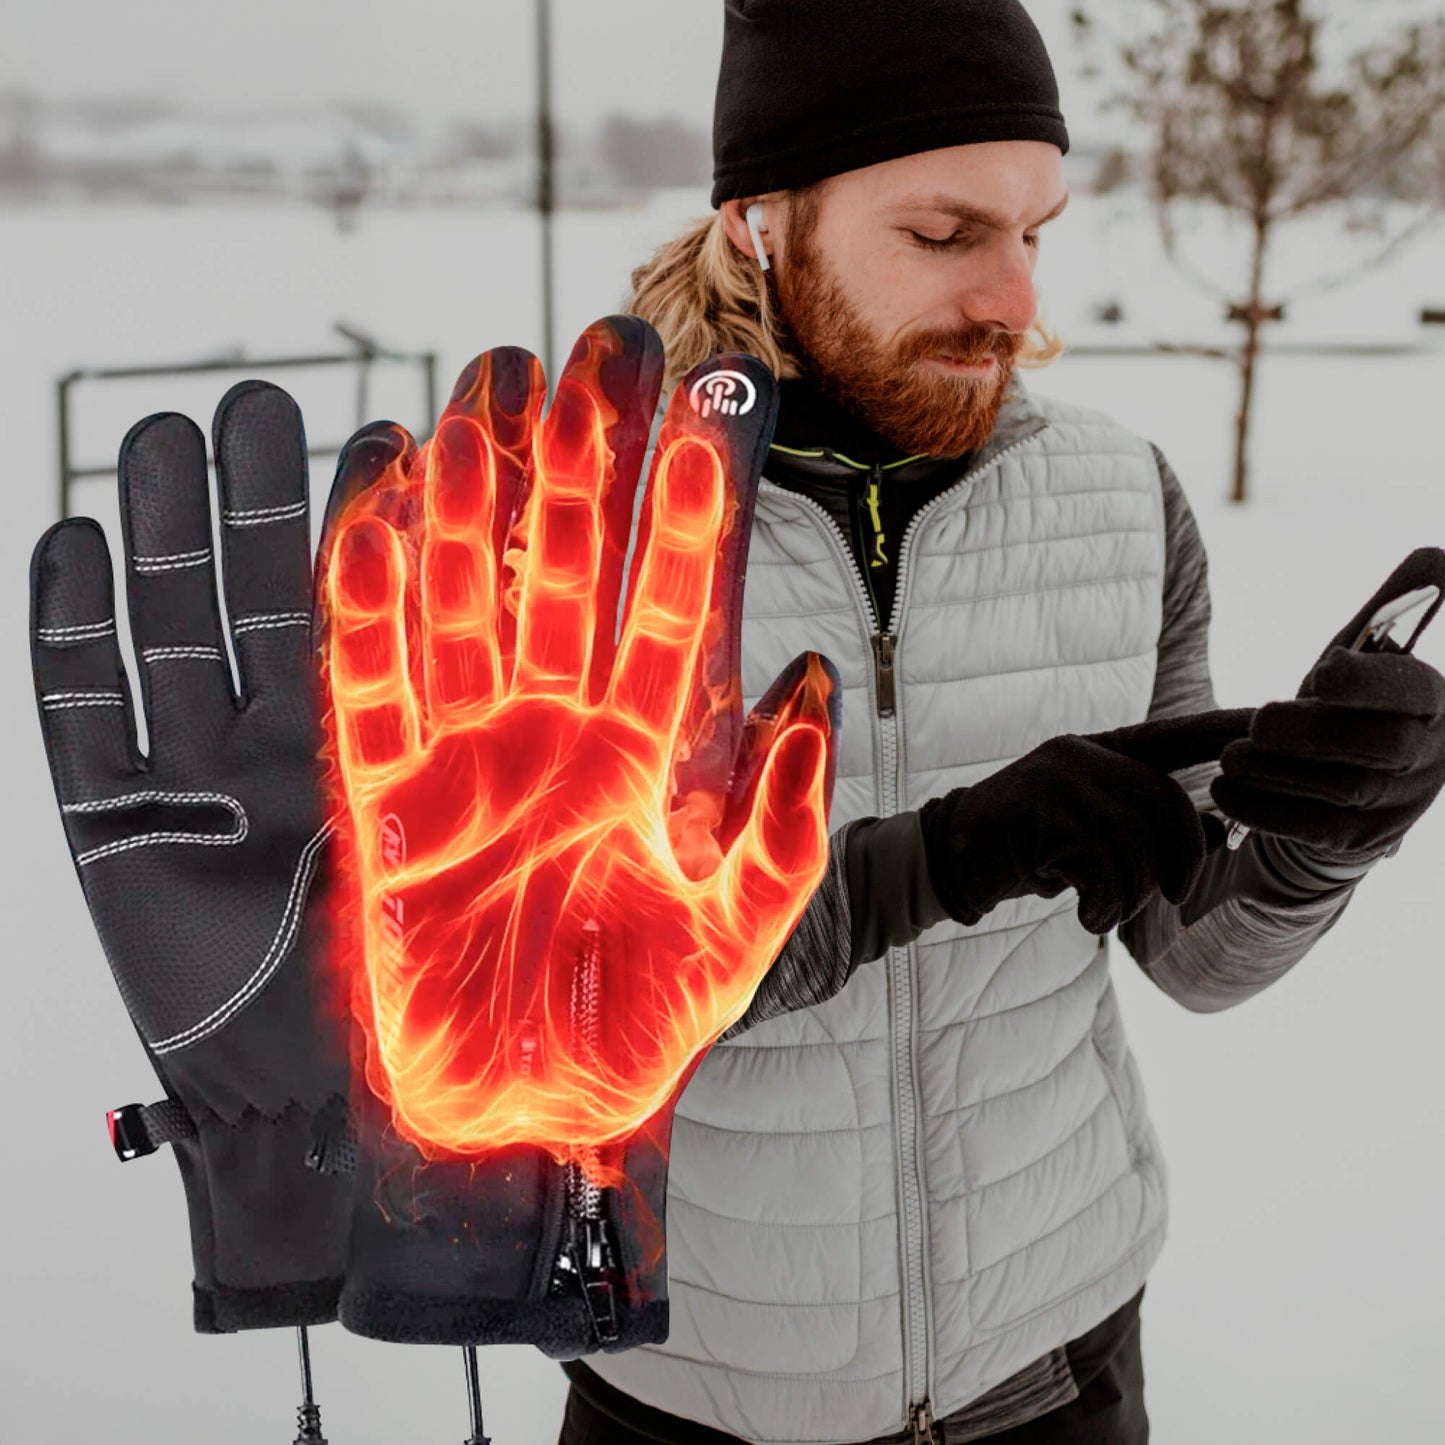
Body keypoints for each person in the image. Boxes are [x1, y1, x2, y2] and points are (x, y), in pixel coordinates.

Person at [554, 3, 1445, 1443]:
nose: (1012, 301)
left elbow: (1193, 952)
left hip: (1058, 1367)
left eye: (1034, 229)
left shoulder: (1115, 497)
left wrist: (1316, 839)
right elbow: (565, 1011)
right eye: (943, 233)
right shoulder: (575, 536)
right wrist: (949, 855)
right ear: (758, 220)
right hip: (691, 1390)